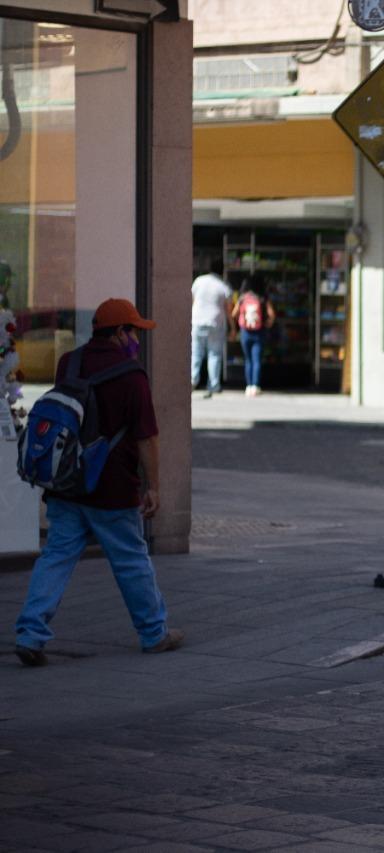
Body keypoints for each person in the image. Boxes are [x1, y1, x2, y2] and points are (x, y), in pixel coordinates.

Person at [14, 299, 183, 667]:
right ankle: (155, 634)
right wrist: (153, 486)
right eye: (134, 331)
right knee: (131, 560)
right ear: (120, 333)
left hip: (66, 484)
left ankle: (30, 633)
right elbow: (146, 438)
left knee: (56, 558)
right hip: (112, 490)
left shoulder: (68, 363)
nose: (136, 338)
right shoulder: (132, 375)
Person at [191, 259, 232, 398]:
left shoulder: (199, 281)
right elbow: (228, 309)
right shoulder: (223, 285)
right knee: (214, 354)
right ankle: (214, 385)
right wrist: (233, 327)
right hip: (216, 322)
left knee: (196, 353)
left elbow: (191, 299)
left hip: (197, 320)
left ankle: (193, 380)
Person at [235, 273, 275, 397]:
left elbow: (234, 313)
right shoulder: (263, 297)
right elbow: (272, 314)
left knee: (248, 360)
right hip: (259, 332)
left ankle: (248, 386)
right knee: (257, 359)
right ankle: (256, 386)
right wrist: (268, 323)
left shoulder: (242, 298)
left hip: (245, 332)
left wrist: (241, 322)